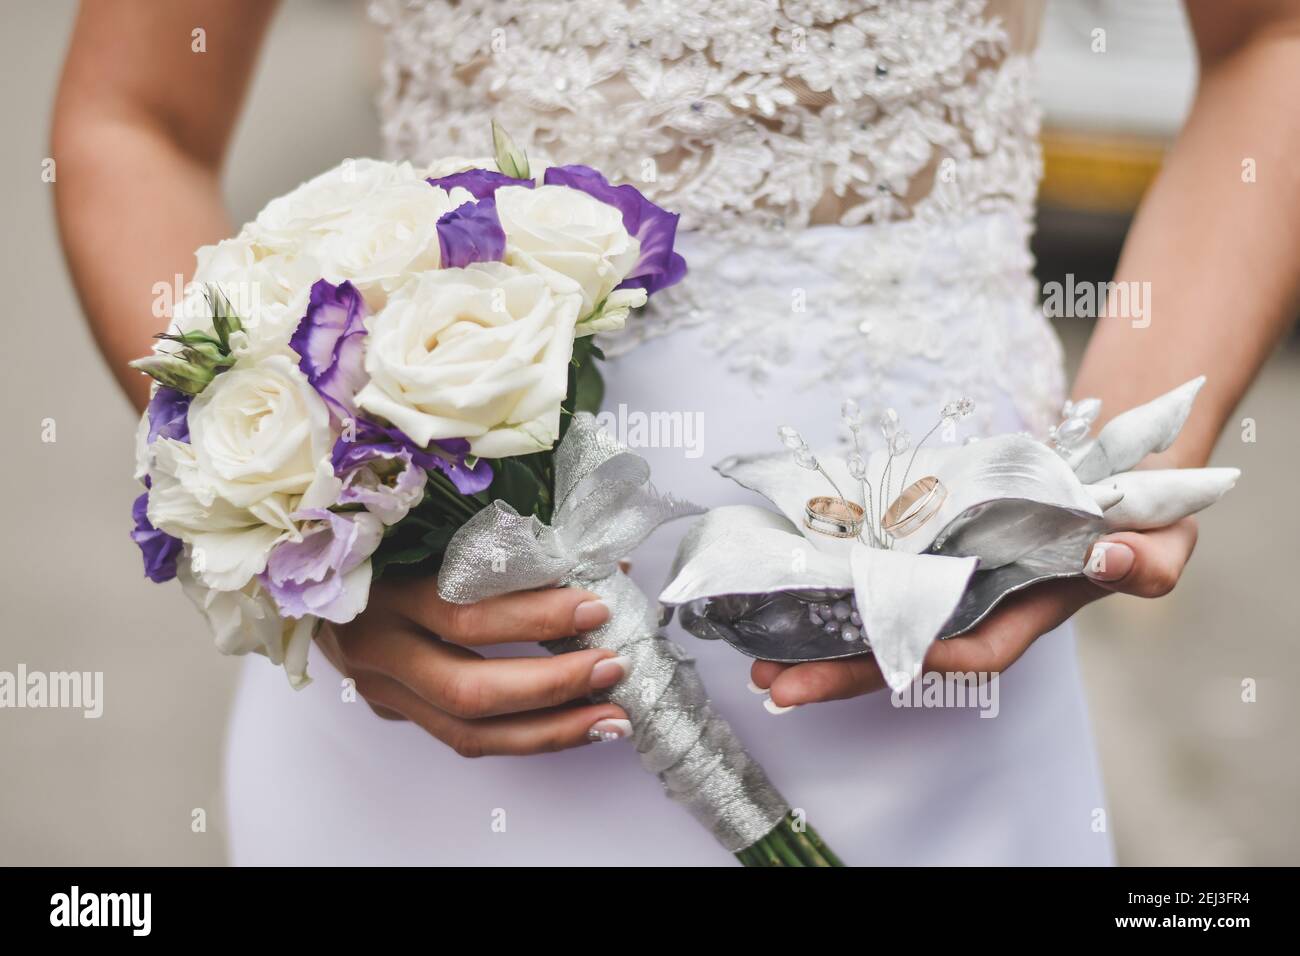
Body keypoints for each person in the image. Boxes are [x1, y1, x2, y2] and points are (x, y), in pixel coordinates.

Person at [53, 0, 1300, 865]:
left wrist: (1093, 484)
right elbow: (133, 123)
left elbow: (1269, 44)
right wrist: (314, 542)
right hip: (435, 690)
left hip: (940, 688)